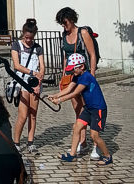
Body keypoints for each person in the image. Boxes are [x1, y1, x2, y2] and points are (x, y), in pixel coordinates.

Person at [48, 53, 112, 165]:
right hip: (88, 108)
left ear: (81, 66)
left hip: (98, 109)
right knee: (77, 127)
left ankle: (107, 156)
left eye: (73, 69)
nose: (72, 72)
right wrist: (55, 95)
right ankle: (72, 155)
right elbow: (69, 89)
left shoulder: (86, 77)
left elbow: (75, 93)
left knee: (94, 135)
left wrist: (59, 101)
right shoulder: (76, 76)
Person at [56, 7, 100, 159]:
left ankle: (96, 145)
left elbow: (92, 54)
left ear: (71, 19)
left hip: (85, 75)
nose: (63, 25)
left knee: (91, 108)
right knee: (78, 110)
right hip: (72, 76)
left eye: (65, 22)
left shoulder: (83, 33)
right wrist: (63, 75)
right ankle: (83, 140)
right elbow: (65, 57)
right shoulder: (64, 35)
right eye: (61, 23)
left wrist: (92, 76)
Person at [11, 18, 45, 153]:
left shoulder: (38, 48)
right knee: (23, 115)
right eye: (26, 37)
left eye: (31, 38)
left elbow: (42, 67)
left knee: (33, 114)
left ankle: (31, 142)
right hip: (22, 83)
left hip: (35, 84)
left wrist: (39, 80)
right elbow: (17, 65)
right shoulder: (16, 45)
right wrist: (32, 72)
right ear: (23, 34)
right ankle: (16, 142)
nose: (29, 40)